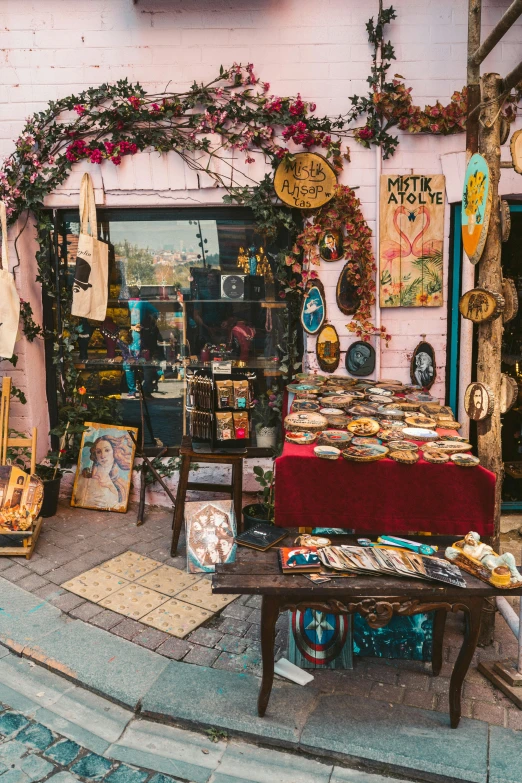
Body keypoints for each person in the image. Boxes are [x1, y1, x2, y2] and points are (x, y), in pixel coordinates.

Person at [74, 433, 133, 511]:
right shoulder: (84, 478)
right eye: (98, 452)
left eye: (107, 450)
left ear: (114, 451)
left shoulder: (122, 484)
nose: (103, 455)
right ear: (95, 455)